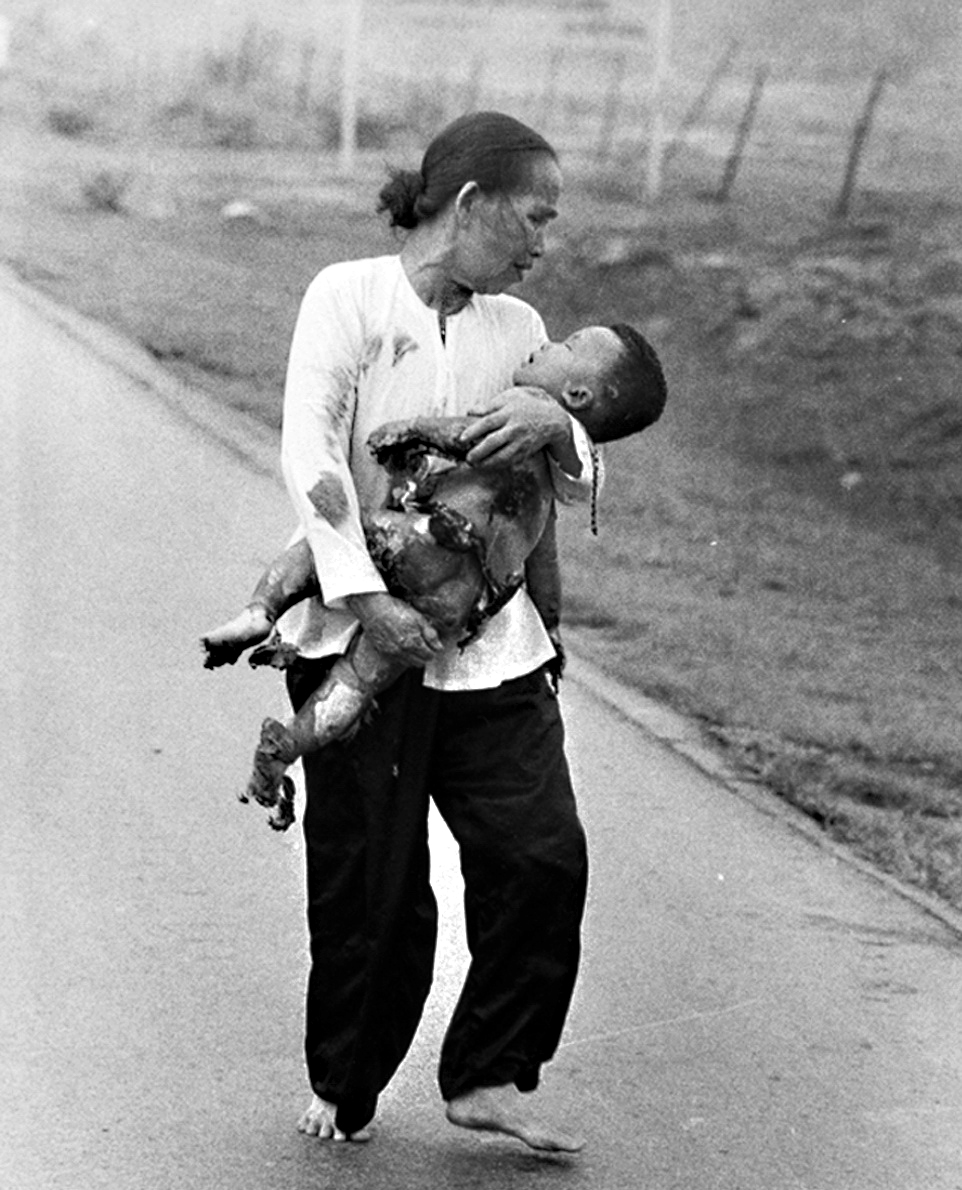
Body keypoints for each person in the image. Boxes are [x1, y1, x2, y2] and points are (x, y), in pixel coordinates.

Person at [260, 111, 611, 1152]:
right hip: (364, 631)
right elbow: (311, 457)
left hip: (491, 647)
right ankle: (345, 1082)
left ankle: (489, 1074)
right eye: (533, 217)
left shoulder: (516, 324)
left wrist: (566, 429)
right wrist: (370, 603)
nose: (543, 243)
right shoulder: (348, 295)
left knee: (541, 852)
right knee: (377, 886)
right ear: (467, 204)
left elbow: (569, 457)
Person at [201, 323, 667, 832]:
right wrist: (550, 627)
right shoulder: (551, 479)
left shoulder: (528, 405)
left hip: (430, 538)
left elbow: (466, 439)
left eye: (568, 347)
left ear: (577, 393)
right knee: (358, 680)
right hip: (461, 600)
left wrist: (411, 430)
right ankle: (288, 743)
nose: (549, 344)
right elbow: (545, 561)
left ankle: (260, 611)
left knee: (326, 547)